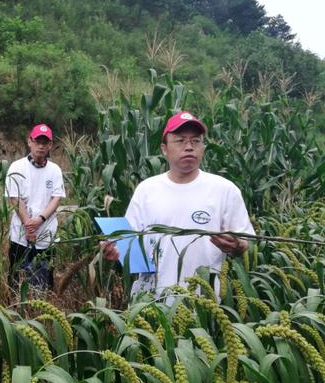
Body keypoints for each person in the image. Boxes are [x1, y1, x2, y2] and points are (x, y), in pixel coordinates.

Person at [102, 111, 253, 296]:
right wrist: (114, 252)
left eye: (196, 141)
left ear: (203, 147)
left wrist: (238, 246)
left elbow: (245, 241)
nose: (189, 147)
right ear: (164, 149)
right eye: (180, 141)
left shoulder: (224, 190)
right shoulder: (147, 189)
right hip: (150, 299)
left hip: (203, 301)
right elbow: (128, 245)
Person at [5, 124, 65, 289]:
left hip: (46, 237)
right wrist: (29, 226)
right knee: (18, 281)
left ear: (50, 146)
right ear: (29, 142)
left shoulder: (55, 170)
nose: (41, 146)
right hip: (20, 236)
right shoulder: (16, 167)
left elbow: (56, 198)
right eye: (37, 141)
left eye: (45, 143)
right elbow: (14, 198)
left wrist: (39, 220)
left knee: (45, 282)